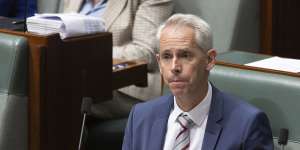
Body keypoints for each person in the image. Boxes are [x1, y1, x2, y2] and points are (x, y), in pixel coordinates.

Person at [122, 14, 274, 150]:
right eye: (167, 56)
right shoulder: (140, 117)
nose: (174, 67)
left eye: (185, 55)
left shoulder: (247, 124)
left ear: (209, 60)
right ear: (159, 62)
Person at [63, 0, 173, 118]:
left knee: (62, 93)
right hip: (75, 76)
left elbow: (145, 53)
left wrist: (83, 54)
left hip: (125, 86)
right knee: (51, 87)